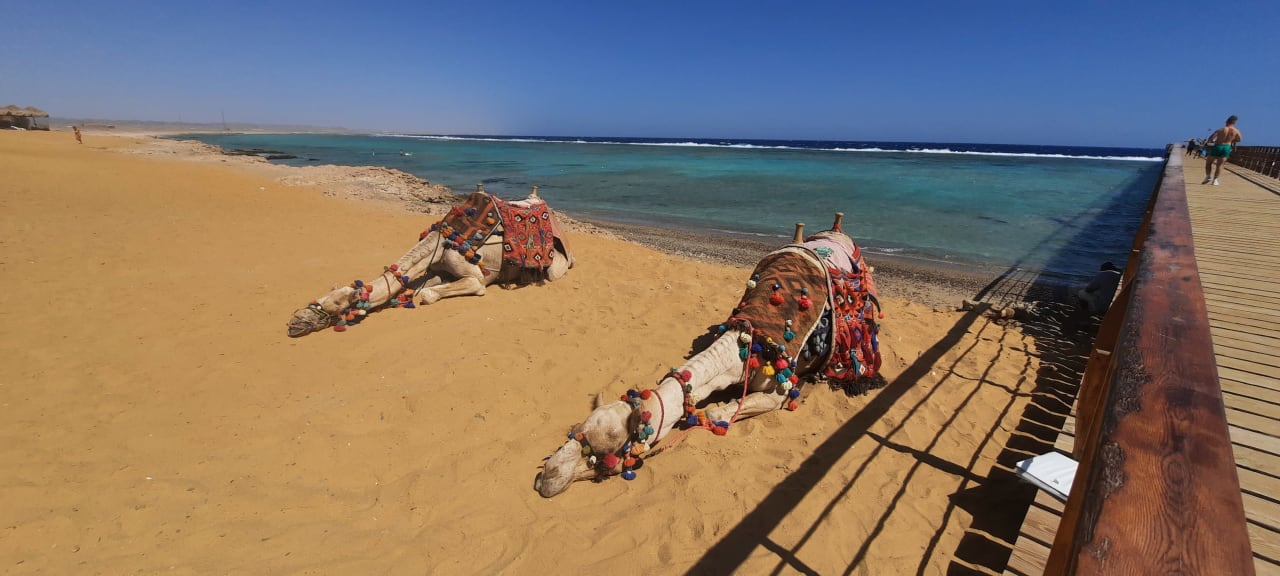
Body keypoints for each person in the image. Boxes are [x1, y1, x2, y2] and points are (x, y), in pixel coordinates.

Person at [1066, 262, 1122, 335]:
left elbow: (1088, 289)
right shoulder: (1120, 276)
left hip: (1102, 307)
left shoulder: (1102, 274)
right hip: (1117, 308)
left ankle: (1085, 315)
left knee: (1081, 293)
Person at [1202, 115, 1242, 185]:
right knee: (1220, 165)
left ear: (1226, 122)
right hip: (1227, 147)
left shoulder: (1220, 129)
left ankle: (1208, 176)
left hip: (1218, 146)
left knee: (1209, 162)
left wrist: (1208, 143)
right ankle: (1215, 180)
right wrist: (1232, 140)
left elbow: (1211, 138)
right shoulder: (1236, 131)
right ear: (1234, 123)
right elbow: (1239, 139)